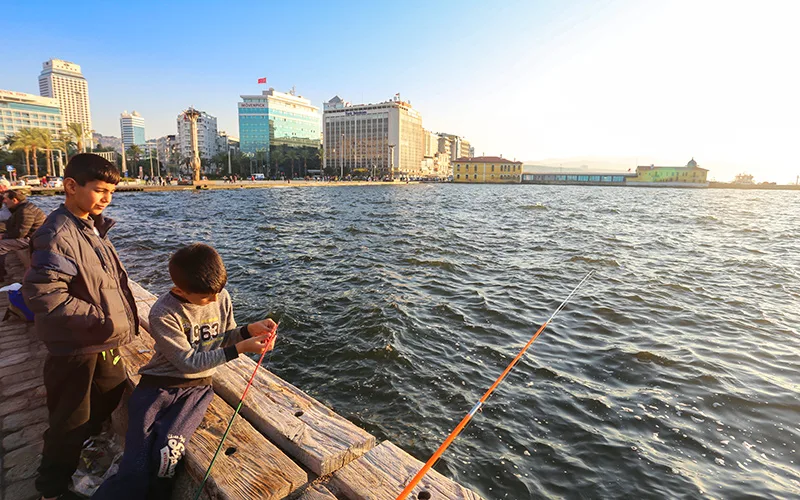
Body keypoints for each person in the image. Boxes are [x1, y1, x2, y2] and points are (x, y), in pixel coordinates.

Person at [92, 243, 277, 499]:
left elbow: (224, 338)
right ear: (179, 289)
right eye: (206, 297)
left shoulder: (219, 296)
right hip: (157, 383)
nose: (215, 300)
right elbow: (187, 361)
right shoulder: (163, 312)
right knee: (137, 458)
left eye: (218, 292)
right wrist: (241, 348)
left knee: (169, 450)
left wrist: (247, 331)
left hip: (197, 389)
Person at [22, 153, 138, 500]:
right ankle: (51, 489)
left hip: (100, 341)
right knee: (68, 420)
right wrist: (101, 319)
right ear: (70, 186)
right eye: (100, 190)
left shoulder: (88, 226)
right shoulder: (57, 233)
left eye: (111, 192)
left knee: (112, 390)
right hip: (75, 345)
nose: (107, 198)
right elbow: (45, 295)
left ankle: (90, 447)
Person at [0, 190, 46, 280]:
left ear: (14, 200)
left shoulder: (25, 211)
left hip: (32, 239)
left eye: (5, 199)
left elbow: (21, 233)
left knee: (1, 246)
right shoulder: (21, 208)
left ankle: (1, 274)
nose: (4, 201)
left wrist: (3, 236)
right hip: (31, 236)